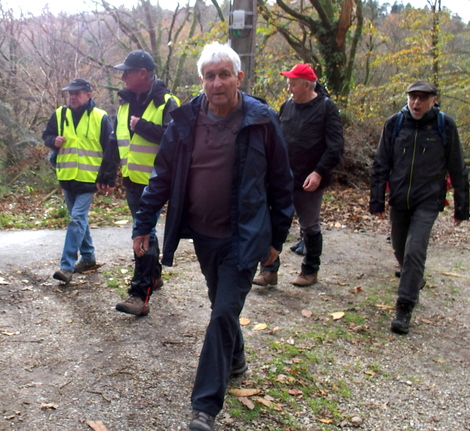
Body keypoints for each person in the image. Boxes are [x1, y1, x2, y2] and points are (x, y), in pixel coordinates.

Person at [132, 42, 294, 431]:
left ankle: (204, 408)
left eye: (224, 74)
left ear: (239, 78)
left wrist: (278, 239)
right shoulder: (185, 121)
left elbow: (281, 182)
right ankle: (235, 359)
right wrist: (143, 223)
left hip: (245, 236)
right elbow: (162, 176)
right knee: (219, 305)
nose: (217, 82)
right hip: (204, 235)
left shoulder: (262, 120)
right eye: (210, 75)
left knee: (222, 314)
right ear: (201, 80)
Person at [370, 80, 470, 335]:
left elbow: (457, 166)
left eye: (423, 98)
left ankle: (404, 306)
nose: (416, 102)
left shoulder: (444, 126)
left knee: (415, 250)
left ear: (434, 100)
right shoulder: (395, 123)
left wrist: (462, 207)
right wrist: (377, 200)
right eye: (413, 97)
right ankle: (414, 278)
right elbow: (381, 163)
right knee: (400, 248)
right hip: (399, 199)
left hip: (428, 200)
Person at [252, 63, 344, 288]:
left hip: (309, 180)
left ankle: (310, 270)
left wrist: (319, 172)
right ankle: (268, 270)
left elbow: (336, 146)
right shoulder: (286, 106)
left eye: (292, 84)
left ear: (306, 84)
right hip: (282, 178)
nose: (289, 88)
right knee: (272, 222)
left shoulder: (326, 107)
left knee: (309, 226)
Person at [111, 50, 180, 316]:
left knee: (144, 235)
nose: (124, 76)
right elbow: (113, 141)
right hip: (131, 180)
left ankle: (139, 295)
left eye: (127, 71)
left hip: (155, 184)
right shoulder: (125, 103)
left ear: (143, 73)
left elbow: (177, 140)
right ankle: (154, 276)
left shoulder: (167, 102)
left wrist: (143, 127)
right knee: (145, 232)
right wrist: (108, 175)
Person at [43, 78, 117, 284]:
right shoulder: (60, 114)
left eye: (77, 93)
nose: (72, 97)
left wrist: (109, 179)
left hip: (89, 180)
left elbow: (111, 151)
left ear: (88, 95)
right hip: (67, 178)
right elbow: (46, 135)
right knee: (79, 220)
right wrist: (53, 141)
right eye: (70, 93)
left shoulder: (100, 117)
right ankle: (88, 257)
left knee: (76, 219)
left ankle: (66, 267)